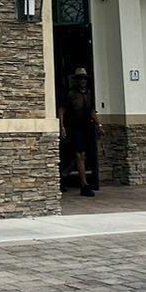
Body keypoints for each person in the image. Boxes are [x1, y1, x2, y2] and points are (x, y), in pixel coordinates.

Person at [60, 67, 100, 196]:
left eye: (84, 78)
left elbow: (92, 111)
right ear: (76, 80)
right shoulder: (71, 94)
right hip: (75, 127)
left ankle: (64, 176)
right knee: (79, 155)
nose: (82, 81)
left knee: (81, 156)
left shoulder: (89, 93)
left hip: (87, 127)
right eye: (80, 78)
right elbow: (62, 110)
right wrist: (62, 126)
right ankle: (84, 185)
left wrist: (99, 125)